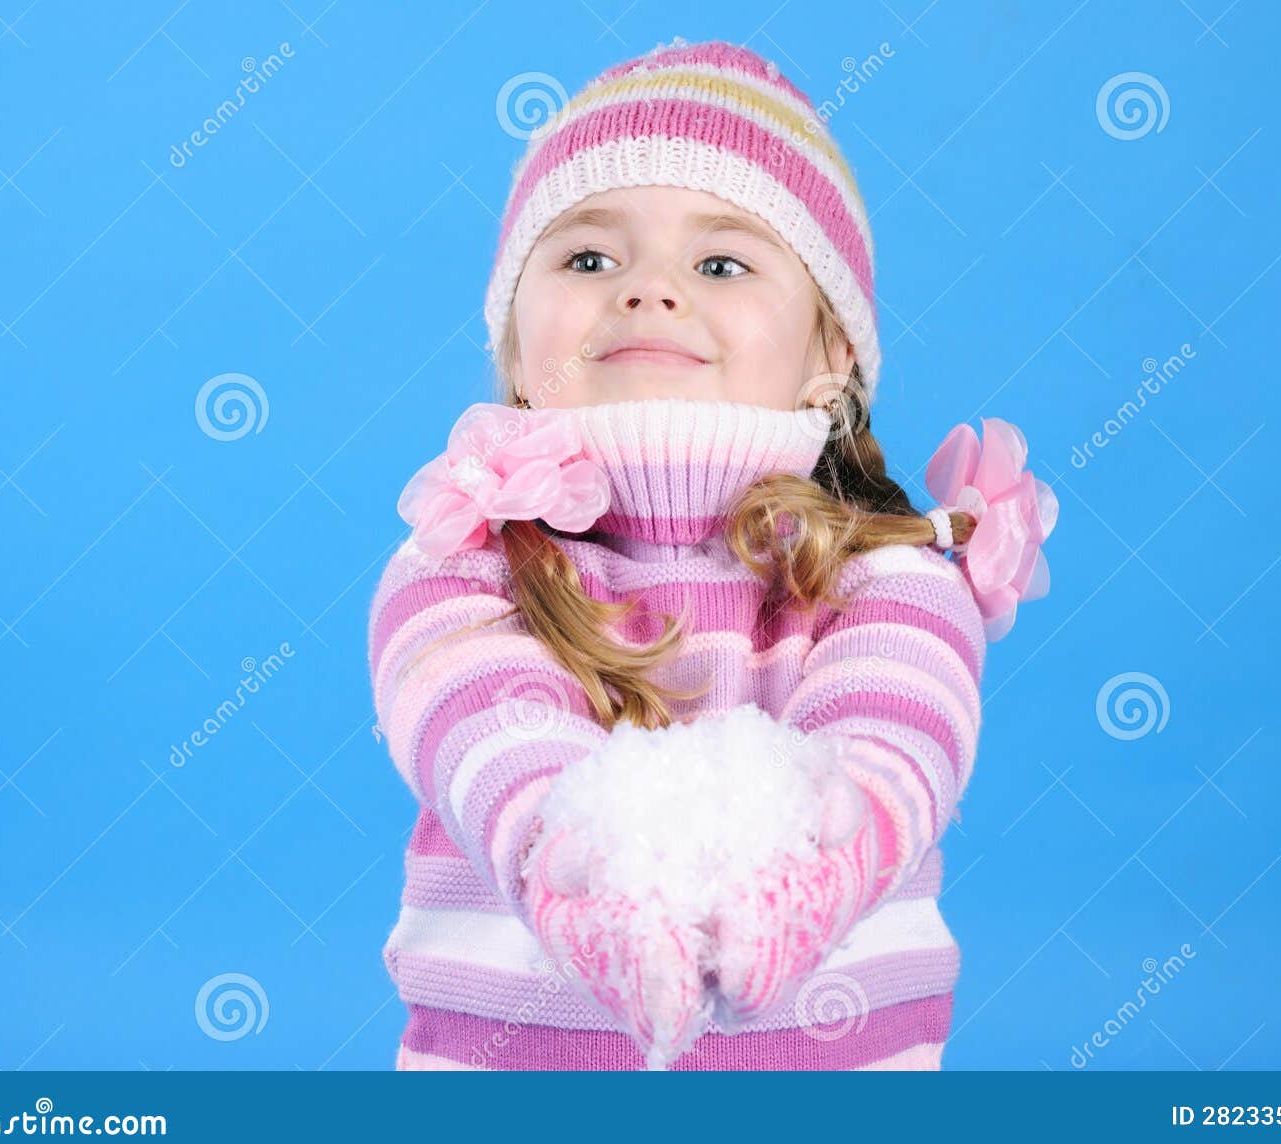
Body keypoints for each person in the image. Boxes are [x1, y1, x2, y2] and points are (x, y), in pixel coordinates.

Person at [367, 37, 1055, 1070]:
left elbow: (891, 743)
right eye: (587, 258)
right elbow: (490, 740)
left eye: (721, 263)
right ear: (513, 342)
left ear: (832, 355)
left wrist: (805, 879)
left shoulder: (887, 579)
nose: (647, 289)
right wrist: (587, 884)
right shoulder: (461, 566)